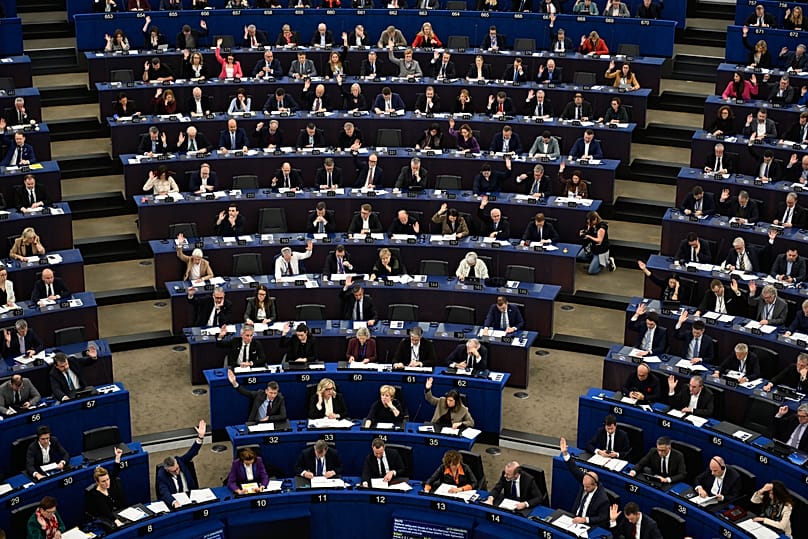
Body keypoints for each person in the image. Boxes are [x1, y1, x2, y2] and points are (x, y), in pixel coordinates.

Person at [559, 437, 610, 527]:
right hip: (573, 519)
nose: (585, 489)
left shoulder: (603, 499)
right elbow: (574, 469)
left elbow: (602, 518)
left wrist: (585, 519)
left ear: (595, 485)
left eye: (587, 487)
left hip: (586, 525)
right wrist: (565, 453)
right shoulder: (586, 480)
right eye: (584, 486)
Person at [156, 420, 206, 507]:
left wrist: (200, 437)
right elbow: (164, 493)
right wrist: (174, 502)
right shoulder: (161, 475)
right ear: (167, 470)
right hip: (177, 501)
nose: (177, 472)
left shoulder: (180, 461)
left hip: (192, 497)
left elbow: (192, 452)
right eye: (174, 471)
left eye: (177, 468)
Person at [85, 447, 126, 527]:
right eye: (103, 481)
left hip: (118, 513)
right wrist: (116, 521)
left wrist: (118, 457)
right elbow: (106, 512)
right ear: (97, 482)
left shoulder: (110, 482)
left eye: (107, 479)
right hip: (106, 519)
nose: (107, 483)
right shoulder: (96, 495)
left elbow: (115, 472)